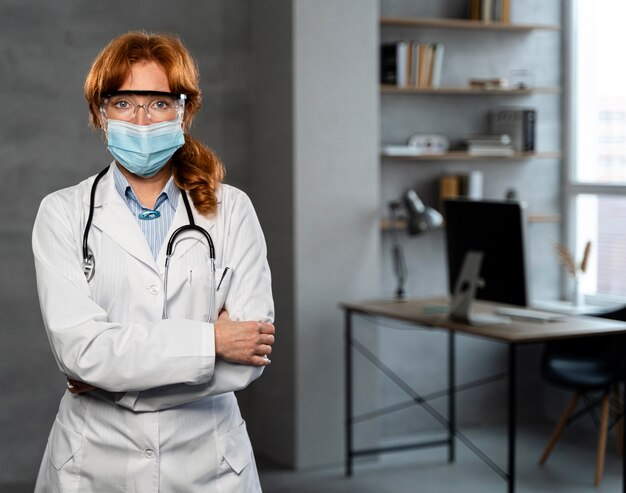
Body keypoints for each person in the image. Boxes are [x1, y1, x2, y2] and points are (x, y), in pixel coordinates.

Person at [32, 31, 275, 492]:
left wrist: (112, 378)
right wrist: (212, 341)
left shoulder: (232, 209)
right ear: (100, 113)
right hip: (95, 462)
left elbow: (248, 357)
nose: (142, 120)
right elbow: (81, 353)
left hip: (208, 464)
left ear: (184, 110)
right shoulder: (62, 212)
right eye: (124, 103)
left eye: (159, 103)